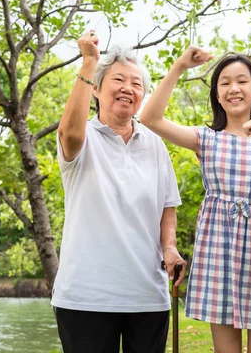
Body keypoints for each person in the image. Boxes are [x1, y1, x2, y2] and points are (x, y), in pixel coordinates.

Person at [139, 49, 251, 353]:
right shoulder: (206, 139)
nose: (234, 89)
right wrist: (179, 67)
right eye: (224, 83)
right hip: (219, 251)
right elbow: (150, 118)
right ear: (217, 94)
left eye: (242, 81)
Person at [53, 30, 186, 353]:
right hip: (85, 297)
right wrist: (89, 62)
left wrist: (169, 247)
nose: (128, 88)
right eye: (118, 80)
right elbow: (68, 133)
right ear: (96, 89)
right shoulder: (82, 137)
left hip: (147, 296)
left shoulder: (155, 144)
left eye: (137, 84)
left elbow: (167, 204)